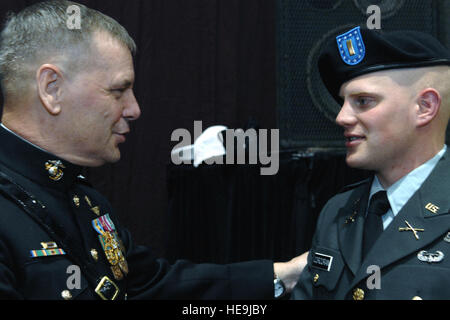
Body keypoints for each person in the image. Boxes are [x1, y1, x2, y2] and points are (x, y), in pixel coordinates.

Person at [0, 0, 307, 300]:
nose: (134, 109)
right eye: (118, 91)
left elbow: (151, 287)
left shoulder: (84, 201)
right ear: (51, 88)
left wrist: (284, 274)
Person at [291, 26, 450, 300]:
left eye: (363, 101)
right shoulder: (337, 211)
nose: (341, 117)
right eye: (343, 102)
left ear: (424, 108)